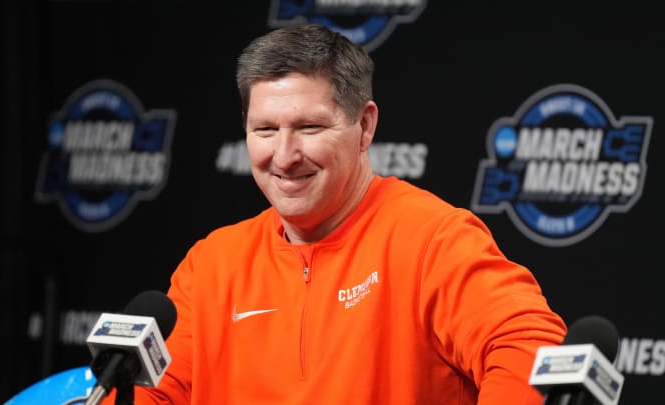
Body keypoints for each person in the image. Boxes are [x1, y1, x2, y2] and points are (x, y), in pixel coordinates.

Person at [104, 23, 567, 404]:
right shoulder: (211, 264)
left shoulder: (433, 239)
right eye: (265, 130)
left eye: (308, 127)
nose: (284, 156)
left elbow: (528, 344)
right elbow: (153, 395)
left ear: (364, 127)